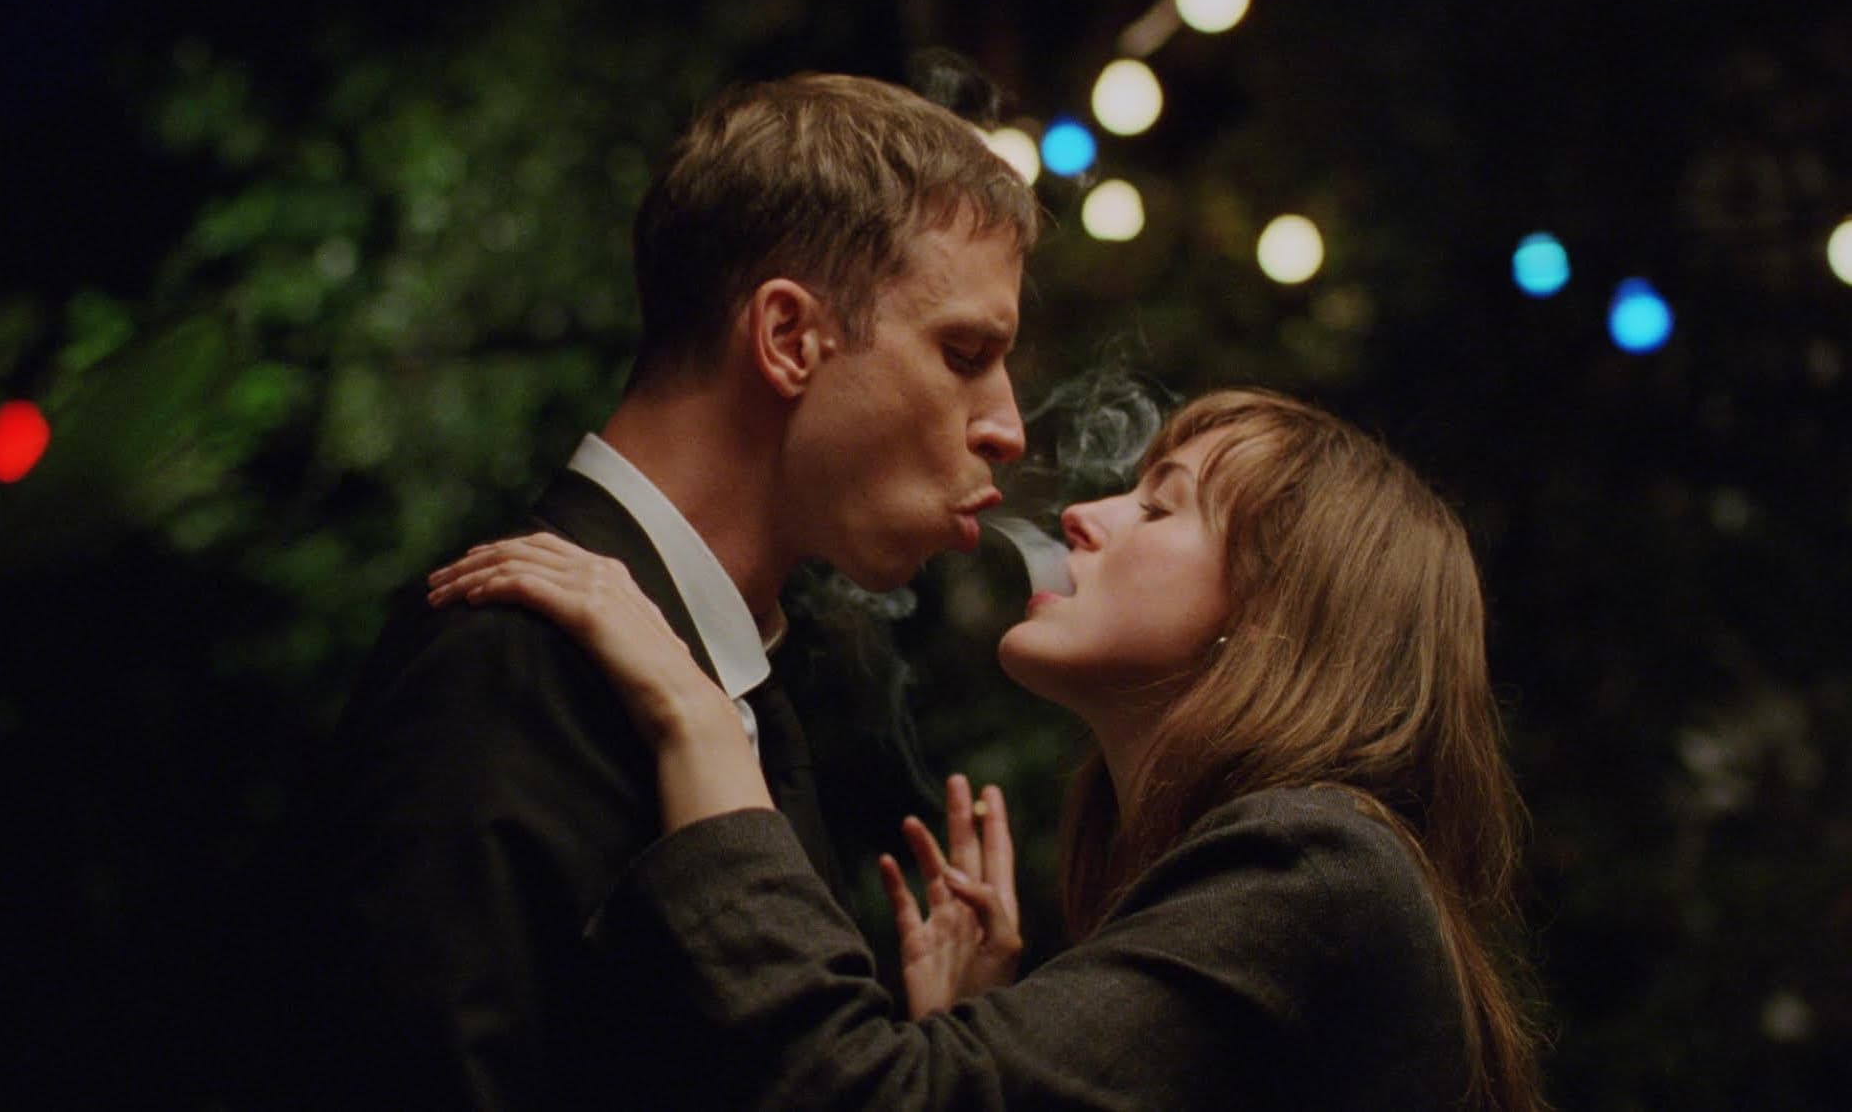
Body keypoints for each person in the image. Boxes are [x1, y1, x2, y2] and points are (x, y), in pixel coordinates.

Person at [429, 387, 1547, 1110]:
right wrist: (962, 1043)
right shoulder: (1297, 876)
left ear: (1271, 616)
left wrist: (699, 720)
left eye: (1163, 508)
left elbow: (853, 1097)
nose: (1085, 517)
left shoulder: (1319, 867)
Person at [311, 72, 1040, 1109]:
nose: (1008, 427)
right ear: (788, 337)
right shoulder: (507, 658)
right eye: (965, 354)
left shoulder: (723, 672)